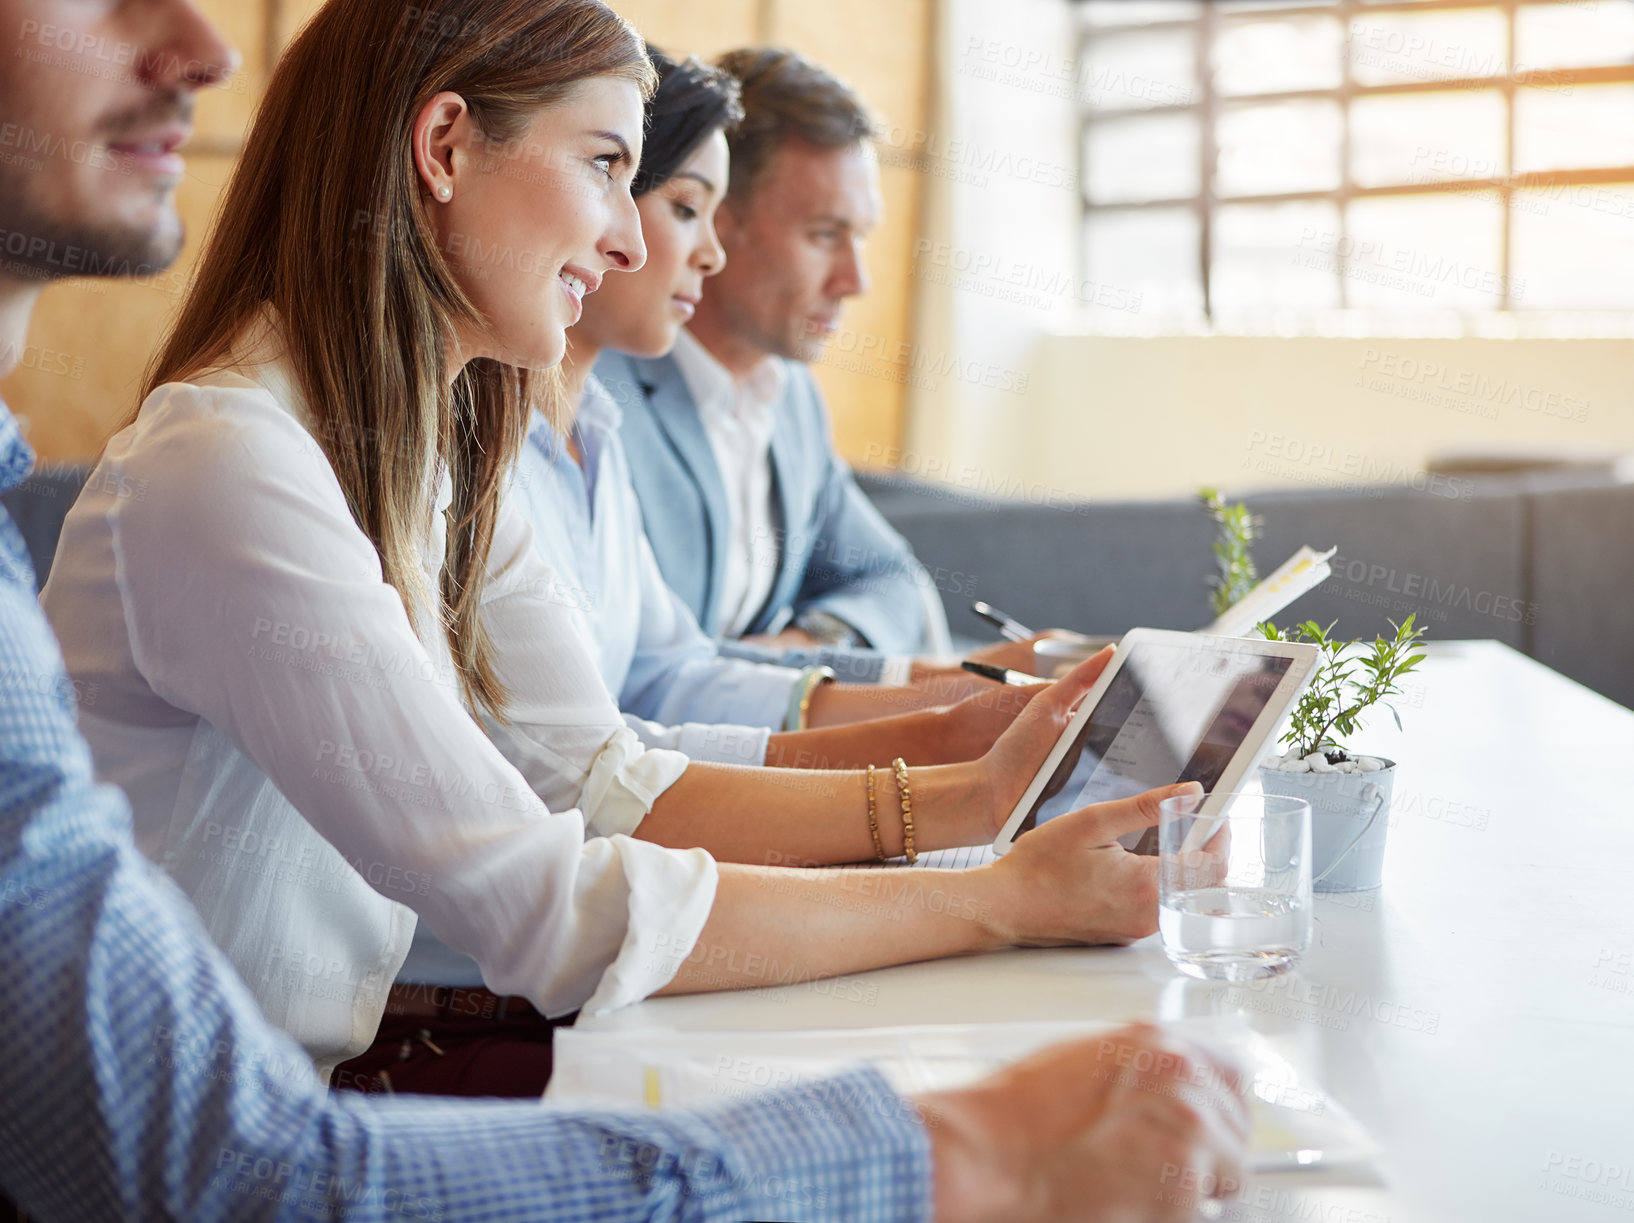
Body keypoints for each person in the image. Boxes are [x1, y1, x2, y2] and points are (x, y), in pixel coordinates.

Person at [0, 1, 1247, 1217]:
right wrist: (992, 891)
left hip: (325, 1088)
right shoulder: (235, 462)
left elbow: (596, 774)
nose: (631, 240)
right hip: (278, 1118)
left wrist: (965, 802)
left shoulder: (425, 448)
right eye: (606, 167)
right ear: (441, 150)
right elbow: (546, 899)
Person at [606, 46, 941, 680]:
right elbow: (642, 671)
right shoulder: (597, 392)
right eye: (823, 234)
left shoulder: (790, 396)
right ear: (718, 214)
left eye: (859, 237)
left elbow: (891, 579)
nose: (855, 280)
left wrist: (808, 645)